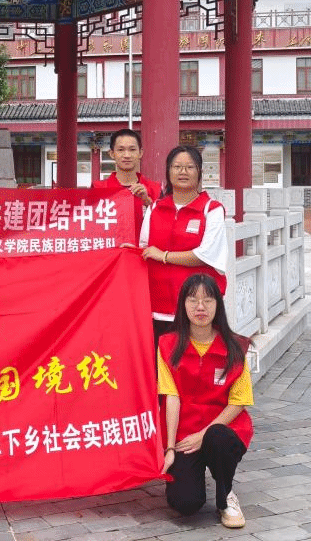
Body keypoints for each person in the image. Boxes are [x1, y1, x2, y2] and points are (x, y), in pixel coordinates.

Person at [158, 274, 252, 527]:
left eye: (208, 300)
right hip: (185, 434)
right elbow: (171, 397)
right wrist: (169, 449)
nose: (200, 307)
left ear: (218, 305)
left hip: (223, 429)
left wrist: (204, 434)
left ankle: (226, 495)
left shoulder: (235, 347)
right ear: (183, 304)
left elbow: (239, 401)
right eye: (193, 300)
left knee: (218, 438)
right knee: (185, 503)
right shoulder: (167, 345)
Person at [139, 145, 229, 338]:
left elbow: (205, 255)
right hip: (157, 307)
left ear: (199, 172)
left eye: (189, 167)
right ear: (168, 171)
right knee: (159, 356)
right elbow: (144, 249)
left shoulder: (212, 210)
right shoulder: (155, 208)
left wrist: (164, 256)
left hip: (197, 310)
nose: (183, 172)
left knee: (193, 356)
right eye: (177, 167)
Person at [92, 128, 161, 242]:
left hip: (144, 252)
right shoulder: (98, 188)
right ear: (112, 154)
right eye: (121, 150)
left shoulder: (155, 189)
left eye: (132, 149)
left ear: (140, 153)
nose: (127, 155)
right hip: (112, 251)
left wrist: (147, 202)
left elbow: (164, 225)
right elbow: (90, 226)